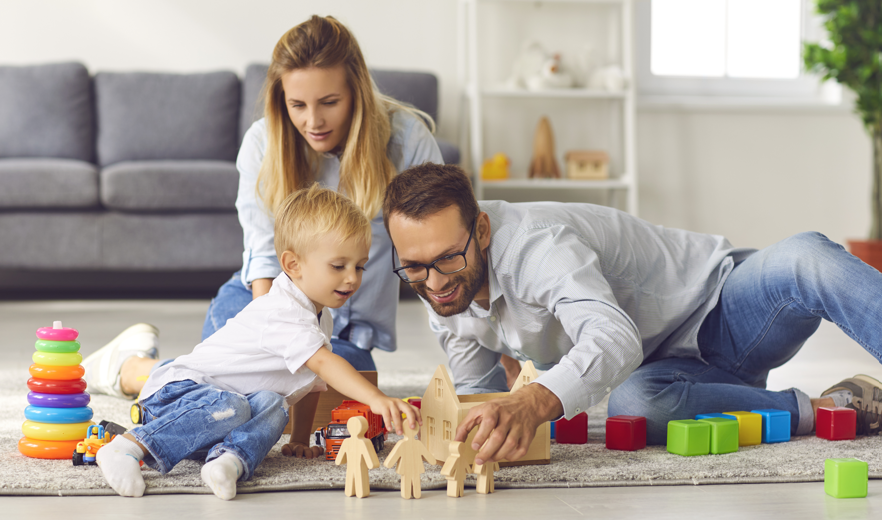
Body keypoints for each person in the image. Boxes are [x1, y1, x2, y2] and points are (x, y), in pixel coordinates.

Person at [382, 163, 882, 467]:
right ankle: (824, 407)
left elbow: (612, 338)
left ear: (483, 230)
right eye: (414, 267)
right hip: (665, 373)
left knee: (807, 258)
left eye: (449, 258)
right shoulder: (442, 298)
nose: (435, 281)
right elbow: (477, 399)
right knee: (635, 406)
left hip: (727, 311)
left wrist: (534, 401)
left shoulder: (536, 247)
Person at [82, 14, 474, 400]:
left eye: (330, 102)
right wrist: (275, 348)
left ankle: (142, 368)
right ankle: (131, 370)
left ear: (357, 92)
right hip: (262, 306)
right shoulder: (262, 143)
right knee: (231, 392)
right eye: (297, 104)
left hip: (343, 328)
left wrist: (489, 351)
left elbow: (434, 251)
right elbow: (265, 258)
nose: (313, 121)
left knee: (325, 399)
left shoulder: (406, 140)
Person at [96, 186, 421, 500]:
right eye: (338, 266)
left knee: (272, 402)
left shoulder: (319, 315)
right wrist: (376, 398)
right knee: (237, 406)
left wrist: (299, 439)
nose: (352, 278)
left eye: (359, 266)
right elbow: (323, 363)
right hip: (174, 399)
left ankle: (229, 461)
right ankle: (127, 447)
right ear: (293, 265)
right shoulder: (283, 310)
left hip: (217, 422)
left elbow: (311, 379)